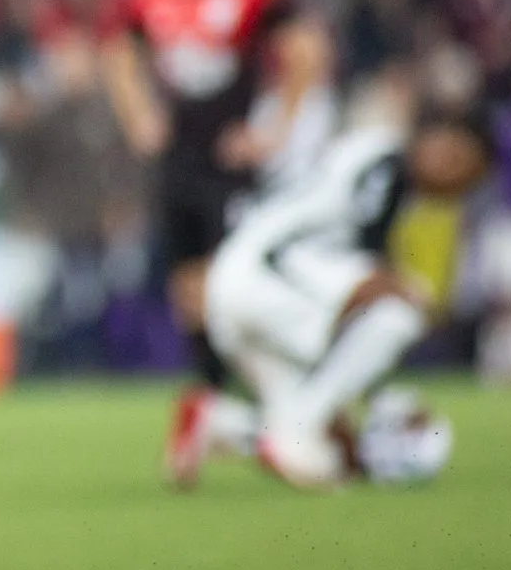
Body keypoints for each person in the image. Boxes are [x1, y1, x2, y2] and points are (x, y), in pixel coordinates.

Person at [100, 0, 330, 487]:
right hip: (178, 162)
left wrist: (275, 126)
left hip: (236, 165)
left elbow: (304, 50)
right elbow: (119, 56)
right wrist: (138, 119)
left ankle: (231, 408)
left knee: (233, 289)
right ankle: (224, 409)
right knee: (187, 290)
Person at [192, 98, 489, 488]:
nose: (447, 173)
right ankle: (304, 423)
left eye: (461, 176)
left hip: (253, 285)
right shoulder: (387, 164)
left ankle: (219, 423)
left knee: (328, 466)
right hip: (268, 275)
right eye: (450, 155)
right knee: (402, 310)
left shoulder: (378, 160)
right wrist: (376, 396)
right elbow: (357, 280)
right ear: (434, 134)